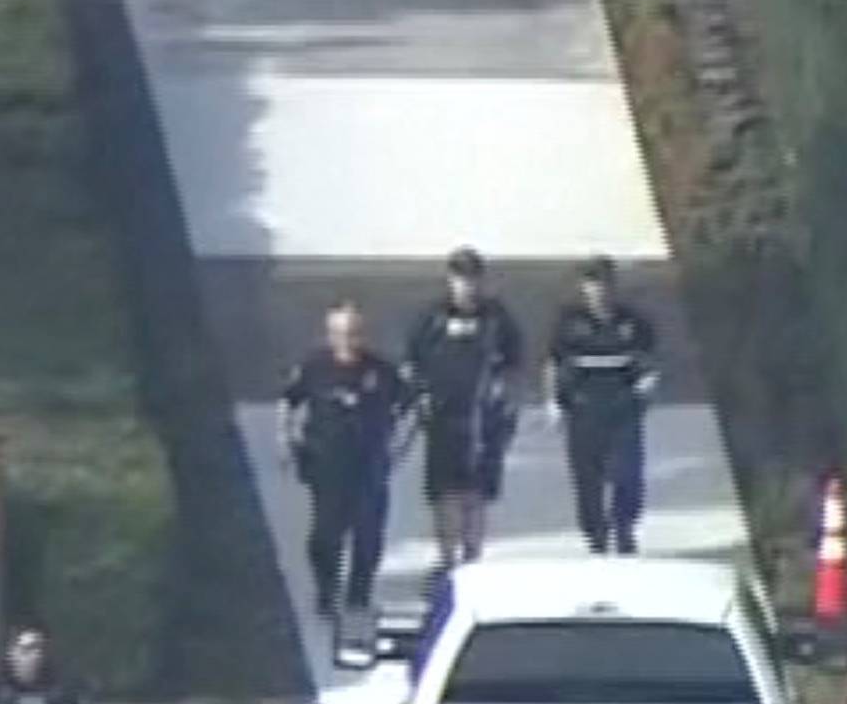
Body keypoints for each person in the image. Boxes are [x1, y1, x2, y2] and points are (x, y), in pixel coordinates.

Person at [280, 304, 411, 623]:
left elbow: (410, 407)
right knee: (326, 535)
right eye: (340, 333)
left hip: (369, 465)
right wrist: (285, 440)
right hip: (326, 465)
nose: (347, 340)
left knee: (368, 535)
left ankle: (358, 596)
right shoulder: (315, 366)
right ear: (330, 335)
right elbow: (289, 400)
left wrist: (398, 448)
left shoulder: (381, 370)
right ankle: (327, 590)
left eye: (353, 333)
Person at [404, 247, 525, 573]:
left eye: (472, 278)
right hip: (442, 417)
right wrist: (419, 396)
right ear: (450, 280)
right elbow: (411, 363)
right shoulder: (432, 317)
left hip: (483, 418)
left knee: (476, 494)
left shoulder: (497, 318)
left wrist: (507, 398)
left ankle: (472, 561)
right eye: (460, 278)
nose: (466, 285)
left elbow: (515, 365)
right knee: (444, 494)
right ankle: (446, 560)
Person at [545, 254, 658, 555]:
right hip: (583, 409)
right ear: (584, 287)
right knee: (587, 477)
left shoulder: (633, 322)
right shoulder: (569, 322)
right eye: (593, 283)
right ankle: (596, 535)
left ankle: (624, 528)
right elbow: (554, 363)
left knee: (626, 472)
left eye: (605, 283)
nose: (599, 290)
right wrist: (553, 401)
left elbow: (648, 361)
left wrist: (648, 383)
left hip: (623, 408)